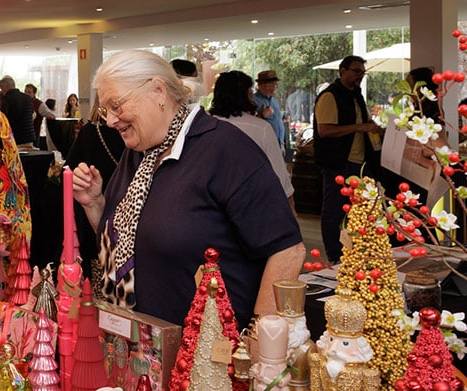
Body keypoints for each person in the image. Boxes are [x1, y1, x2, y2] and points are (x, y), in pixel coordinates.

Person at [71, 50, 304, 331]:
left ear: (158, 91)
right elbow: (126, 244)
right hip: (143, 351)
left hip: (209, 358)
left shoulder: (226, 150)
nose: (109, 120)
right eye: (104, 110)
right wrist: (95, 204)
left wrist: (259, 340)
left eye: (116, 106)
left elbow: (287, 250)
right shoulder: (138, 154)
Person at [313, 55, 382, 264]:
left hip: (360, 164)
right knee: (334, 210)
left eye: (362, 72)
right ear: (342, 71)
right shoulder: (330, 96)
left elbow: (361, 123)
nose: (359, 76)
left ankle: (355, 252)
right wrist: (360, 127)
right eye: (355, 71)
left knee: (360, 211)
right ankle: (334, 255)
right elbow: (324, 130)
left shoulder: (356, 95)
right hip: (338, 162)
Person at [209, 70, 295, 205]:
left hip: (213, 201)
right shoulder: (260, 128)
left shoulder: (205, 125)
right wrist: (290, 205)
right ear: (246, 94)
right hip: (251, 201)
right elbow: (279, 176)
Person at [66, 105, 126, 279]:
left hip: (97, 226)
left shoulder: (91, 133)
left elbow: (68, 170)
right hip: (101, 215)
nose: (112, 121)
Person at [0, 75, 36, 146]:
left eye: (1, 88)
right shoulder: (27, 98)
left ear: (5, 87)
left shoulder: (6, 100)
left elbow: (4, 119)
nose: (1, 91)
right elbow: (32, 115)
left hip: (15, 139)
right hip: (29, 137)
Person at [254, 70, 287, 149]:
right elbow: (249, 125)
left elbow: (278, 121)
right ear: (268, 85)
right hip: (264, 147)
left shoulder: (274, 101)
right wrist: (263, 115)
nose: (277, 86)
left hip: (278, 146)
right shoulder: (253, 101)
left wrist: (282, 144)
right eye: (275, 84)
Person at [25, 83, 56, 149]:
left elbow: (51, 115)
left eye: (29, 92)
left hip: (34, 136)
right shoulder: (21, 102)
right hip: (23, 136)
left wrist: (49, 116)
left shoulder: (39, 104)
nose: (26, 94)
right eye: (25, 91)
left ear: (34, 94)